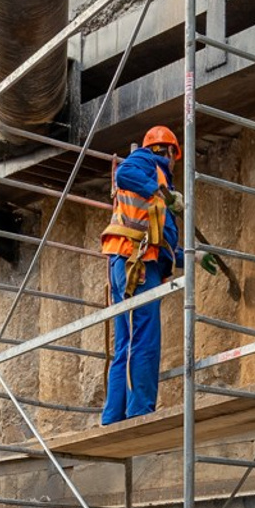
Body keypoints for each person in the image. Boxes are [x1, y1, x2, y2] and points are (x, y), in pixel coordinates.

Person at [96, 125, 184, 424]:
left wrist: (192, 258)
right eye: (174, 156)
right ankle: (139, 411)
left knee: (128, 340)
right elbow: (123, 174)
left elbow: (163, 242)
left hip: (138, 259)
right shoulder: (148, 161)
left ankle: (114, 415)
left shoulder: (159, 187)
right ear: (168, 151)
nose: (174, 163)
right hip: (136, 262)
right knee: (144, 338)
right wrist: (161, 191)